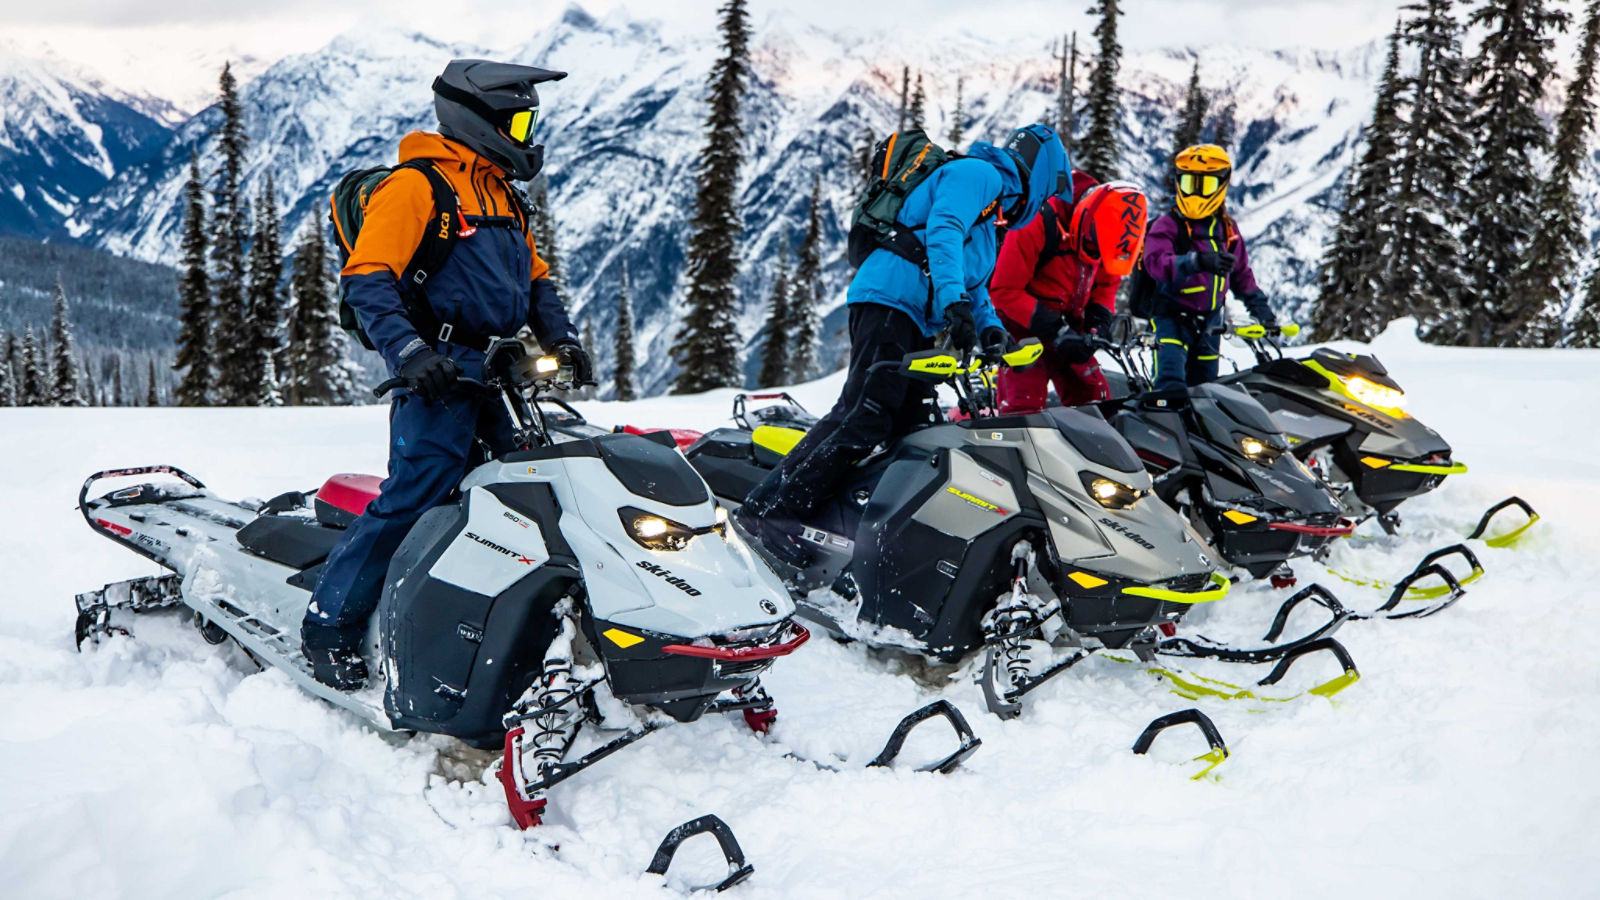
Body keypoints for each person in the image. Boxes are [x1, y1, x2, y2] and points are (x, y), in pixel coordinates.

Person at [302, 59, 593, 690]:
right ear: (477, 119)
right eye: (518, 119)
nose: (526, 132)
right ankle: (330, 627)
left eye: (529, 120)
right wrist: (409, 354)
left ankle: (496, 616)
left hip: (501, 371)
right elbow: (368, 278)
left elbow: (536, 280)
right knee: (421, 492)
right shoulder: (418, 188)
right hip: (439, 373)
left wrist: (563, 340)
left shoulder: (500, 192)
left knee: (525, 487)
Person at [737, 123, 1070, 566]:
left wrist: (990, 326)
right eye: (1049, 195)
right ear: (1043, 174)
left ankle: (860, 531)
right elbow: (944, 229)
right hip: (889, 300)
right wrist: (954, 304)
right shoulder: (980, 175)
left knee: (914, 426)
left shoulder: (991, 218)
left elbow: (976, 283)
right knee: (864, 415)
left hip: (912, 312)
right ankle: (771, 517)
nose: (1042, 206)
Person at [989, 173, 1149, 414]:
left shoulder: (1112, 233)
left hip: (1072, 331)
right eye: (1095, 246)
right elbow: (1003, 291)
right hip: (1023, 332)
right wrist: (1055, 329)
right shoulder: (1038, 221)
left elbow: (1106, 286)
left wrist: (1098, 322)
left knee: (1098, 407)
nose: (1096, 252)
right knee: (1022, 415)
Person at [1141, 143, 1274, 394]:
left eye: (1207, 186)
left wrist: (1260, 308)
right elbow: (1155, 263)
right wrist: (1197, 262)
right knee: (1169, 386)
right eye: (1191, 184)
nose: (1197, 194)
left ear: (1221, 186)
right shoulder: (1168, 224)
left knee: (1205, 391)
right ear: (1180, 183)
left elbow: (1241, 273)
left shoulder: (1227, 229)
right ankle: (1161, 428)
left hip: (1211, 325)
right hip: (1171, 318)